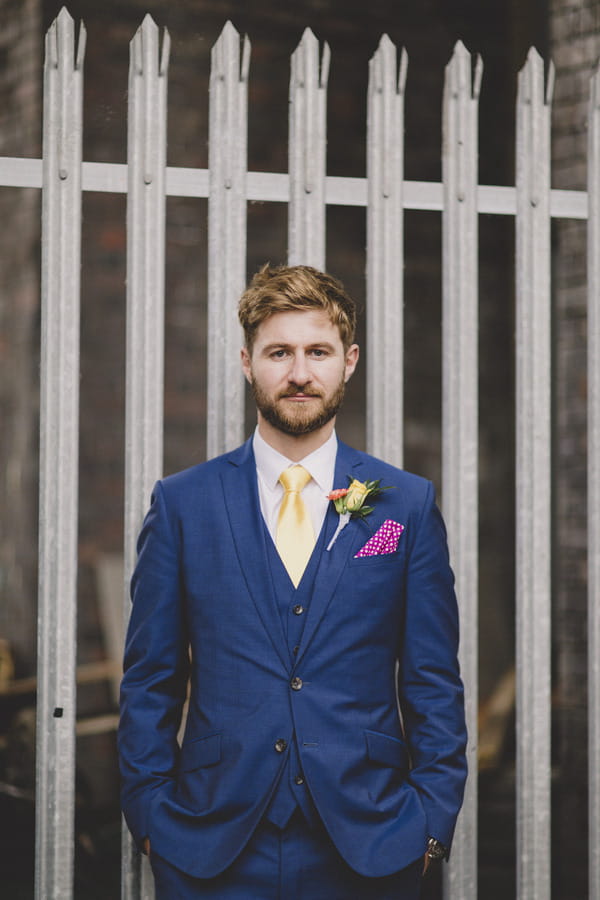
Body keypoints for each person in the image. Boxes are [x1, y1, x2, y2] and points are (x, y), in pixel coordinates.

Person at [118, 263, 468, 899]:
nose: (300, 373)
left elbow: (433, 680)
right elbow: (150, 677)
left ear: (349, 360)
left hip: (371, 839)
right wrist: (150, 817)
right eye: (280, 352)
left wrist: (430, 824)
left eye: (318, 352)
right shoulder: (182, 504)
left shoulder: (401, 508)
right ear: (248, 361)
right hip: (210, 844)